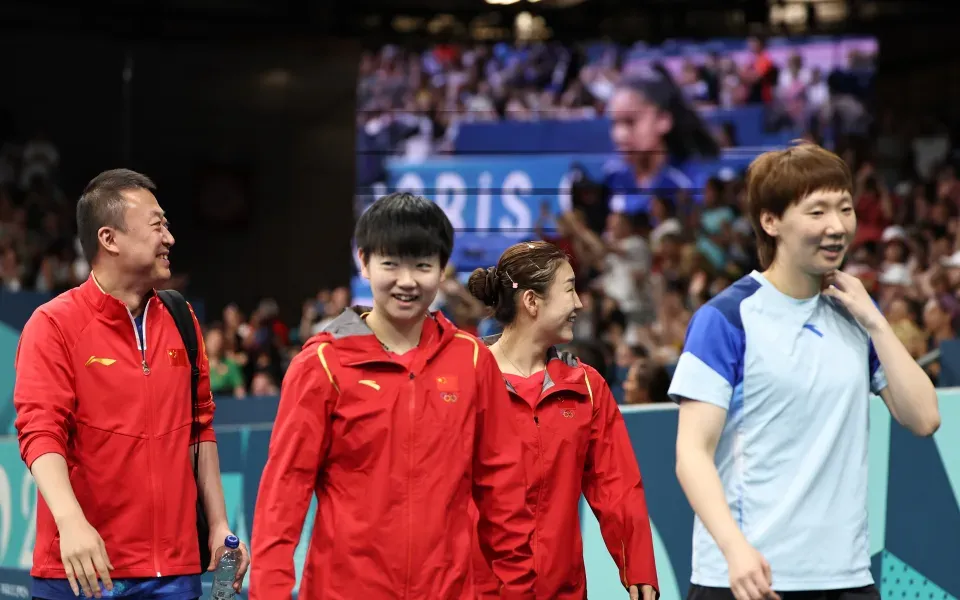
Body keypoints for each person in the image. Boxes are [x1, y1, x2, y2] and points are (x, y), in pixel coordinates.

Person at [669, 143, 940, 600]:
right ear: (770, 221)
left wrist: (876, 321)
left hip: (846, 577)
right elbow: (692, 453)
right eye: (817, 211)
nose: (837, 226)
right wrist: (735, 550)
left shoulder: (856, 315)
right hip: (750, 578)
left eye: (845, 208)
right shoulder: (727, 318)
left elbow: (924, 418)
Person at [249, 192, 536, 599]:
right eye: (390, 264)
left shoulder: (471, 360)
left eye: (422, 265)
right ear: (363, 262)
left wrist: (519, 587)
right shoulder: (323, 364)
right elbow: (284, 493)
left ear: (442, 269)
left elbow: (502, 488)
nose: (407, 281)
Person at [14, 169, 249, 600]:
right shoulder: (52, 325)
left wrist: (218, 525)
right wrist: (70, 521)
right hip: (84, 570)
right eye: (157, 225)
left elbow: (200, 429)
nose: (169, 239)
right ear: (109, 239)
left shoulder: (181, 319)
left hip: (174, 574)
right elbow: (40, 431)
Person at [466, 240, 659, 600]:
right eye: (569, 289)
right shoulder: (465, 381)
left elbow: (616, 486)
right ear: (531, 301)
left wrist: (639, 566)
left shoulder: (587, 386)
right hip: (480, 591)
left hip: (564, 591)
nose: (579, 303)